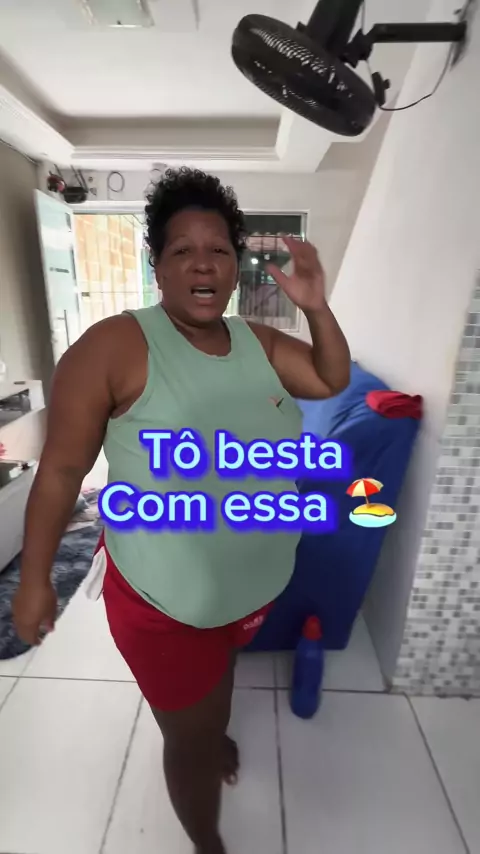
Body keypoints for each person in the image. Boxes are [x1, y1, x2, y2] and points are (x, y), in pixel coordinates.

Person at [13, 168, 350, 854]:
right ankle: (206, 840)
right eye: (182, 250)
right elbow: (62, 472)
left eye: (218, 249)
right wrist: (35, 578)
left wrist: (317, 306)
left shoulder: (259, 343)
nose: (203, 263)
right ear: (157, 266)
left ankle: (206, 727)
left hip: (251, 586)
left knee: (215, 689)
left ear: (234, 266)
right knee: (190, 745)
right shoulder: (113, 348)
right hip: (163, 602)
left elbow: (329, 377)